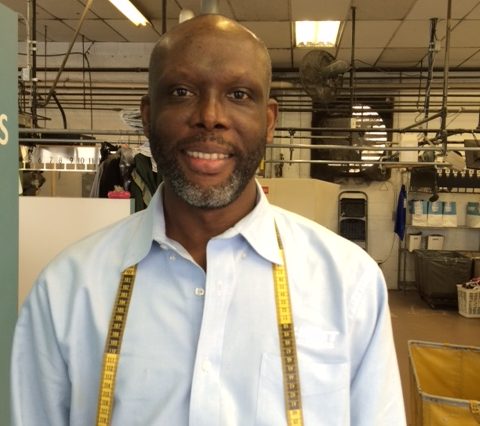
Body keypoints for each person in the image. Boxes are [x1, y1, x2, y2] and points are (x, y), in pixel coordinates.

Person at [11, 14, 406, 426]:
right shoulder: (68, 288)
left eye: (238, 94)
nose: (210, 115)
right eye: (182, 92)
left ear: (269, 121)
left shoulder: (349, 283)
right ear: (148, 115)